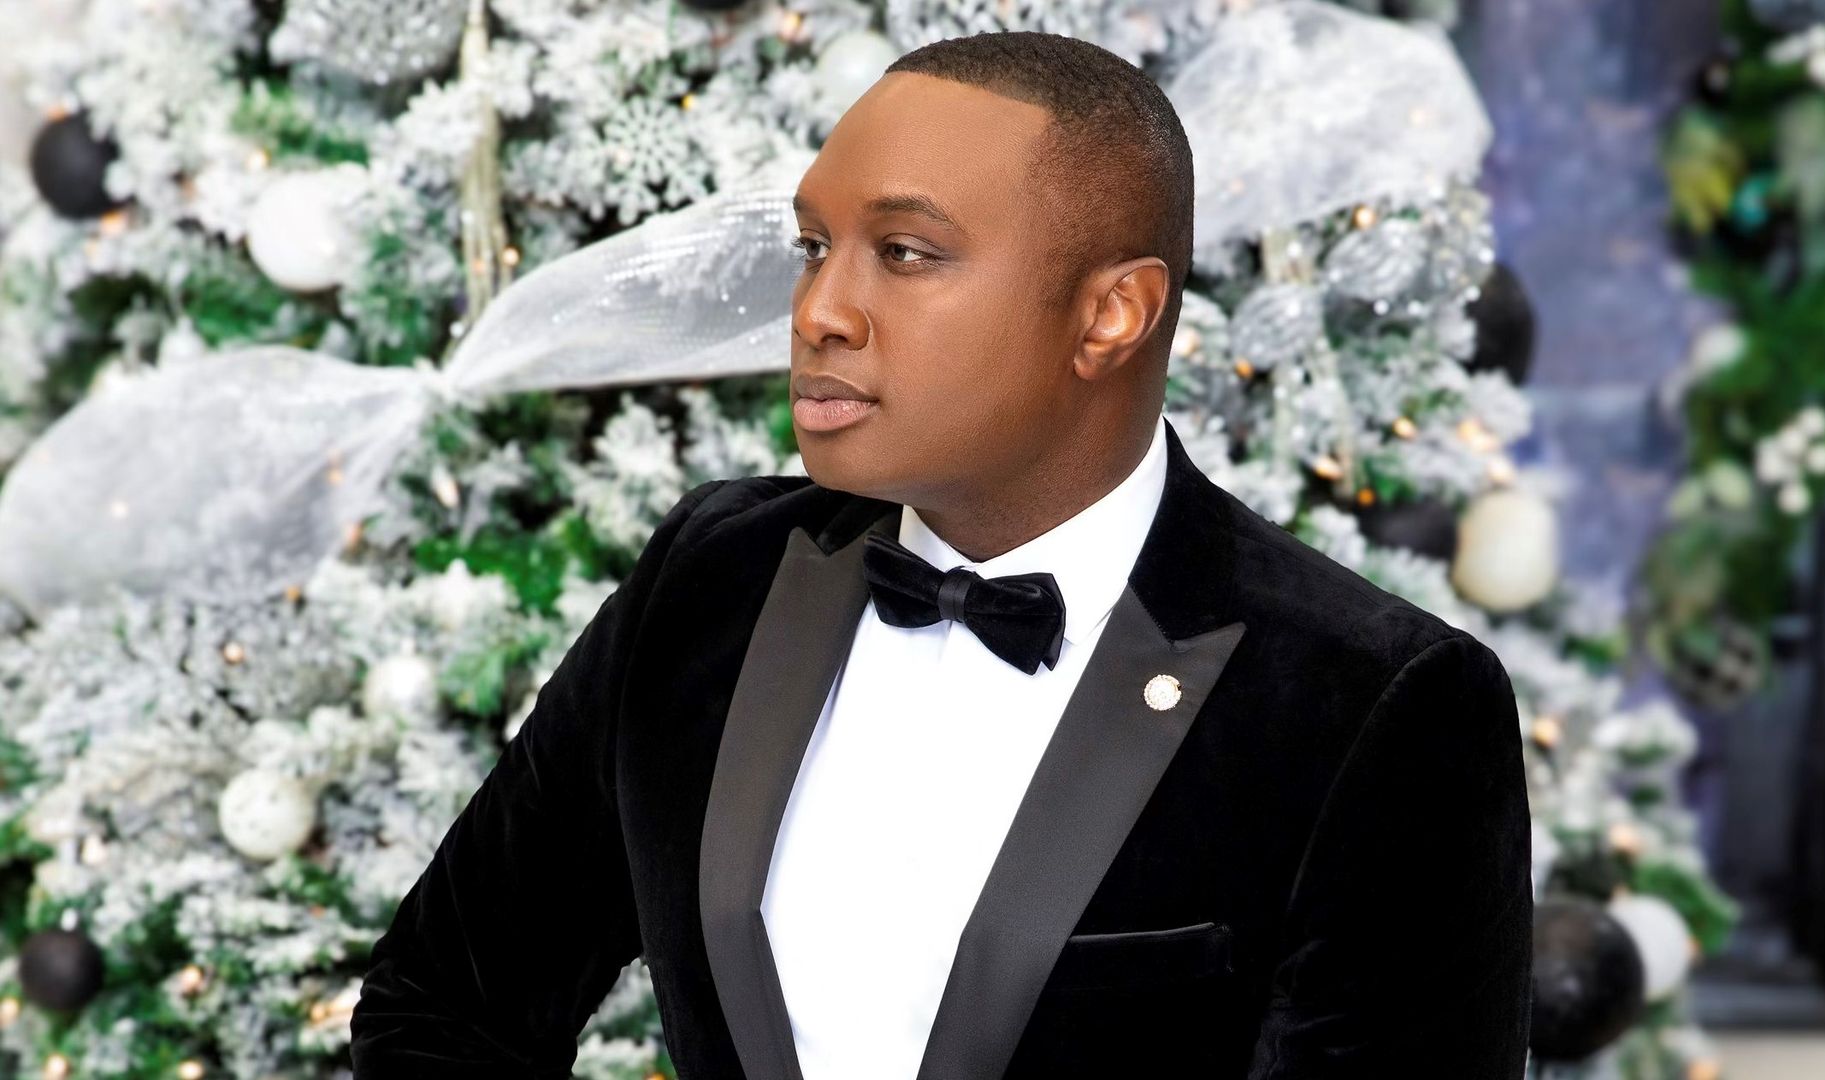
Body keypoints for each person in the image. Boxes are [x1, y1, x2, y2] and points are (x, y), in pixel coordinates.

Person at [348, 29, 1533, 1080]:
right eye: (818, 244)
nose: (821, 309)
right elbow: (445, 1002)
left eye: (906, 253)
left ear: (1111, 314)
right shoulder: (713, 577)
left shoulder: (1374, 699)